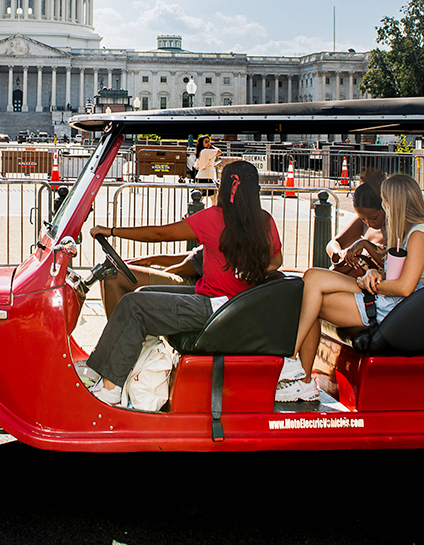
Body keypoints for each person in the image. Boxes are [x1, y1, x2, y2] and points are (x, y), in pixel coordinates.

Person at [84, 160, 282, 405]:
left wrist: (112, 231)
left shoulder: (215, 217)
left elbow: (159, 234)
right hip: (235, 306)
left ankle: (111, 388)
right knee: (140, 295)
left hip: (213, 308)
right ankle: (107, 369)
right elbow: (276, 262)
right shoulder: (265, 221)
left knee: (134, 305)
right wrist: (248, 270)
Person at [288, 173, 424, 400]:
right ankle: (296, 368)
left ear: (392, 202)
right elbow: (395, 273)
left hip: (403, 309)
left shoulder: (419, 235)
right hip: (397, 301)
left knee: (315, 302)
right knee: (313, 277)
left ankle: (295, 367)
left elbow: (404, 288)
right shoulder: (413, 231)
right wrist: (374, 273)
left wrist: (372, 283)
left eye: (385, 200)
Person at [99, 246, 203, 318]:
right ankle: (121, 338)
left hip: (193, 286)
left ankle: (121, 343)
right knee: (107, 274)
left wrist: (112, 231)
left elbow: (183, 269)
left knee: (114, 276)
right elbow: (193, 257)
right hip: (191, 281)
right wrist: (150, 260)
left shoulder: (213, 223)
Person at [325, 170, 387, 270]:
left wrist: (365, 244)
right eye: (363, 219)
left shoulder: (398, 227)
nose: (369, 224)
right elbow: (333, 243)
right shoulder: (361, 223)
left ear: (385, 207)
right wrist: (339, 253)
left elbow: (391, 265)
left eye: (374, 218)